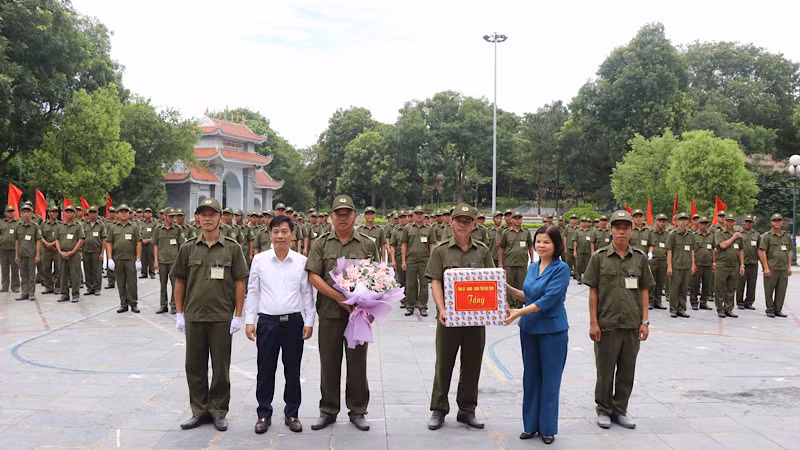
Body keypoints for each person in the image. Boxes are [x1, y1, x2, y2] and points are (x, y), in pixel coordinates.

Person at [305, 195, 379, 432]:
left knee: (357, 364)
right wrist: (340, 297)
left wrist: (372, 308)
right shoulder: (322, 244)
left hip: (358, 315)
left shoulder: (367, 244)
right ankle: (328, 410)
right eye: (339, 213)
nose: (343, 218)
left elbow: (379, 278)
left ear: (354, 216)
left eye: (348, 213)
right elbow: (313, 275)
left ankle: (357, 410)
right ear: (332, 217)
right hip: (329, 313)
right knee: (329, 363)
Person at [174, 198, 248, 432]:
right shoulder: (187, 248)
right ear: (197, 218)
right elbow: (180, 281)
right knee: (194, 366)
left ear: (219, 217)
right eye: (203, 214)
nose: (207, 218)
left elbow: (239, 282)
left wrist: (238, 315)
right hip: (194, 316)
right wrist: (179, 313)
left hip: (221, 317)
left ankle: (218, 410)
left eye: (212, 214)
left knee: (220, 367)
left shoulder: (232, 248)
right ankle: (199, 410)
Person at [425, 203, 494, 431]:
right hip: (449, 319)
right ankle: (438, 410)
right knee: (443, 364)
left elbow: (491, 282)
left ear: (474, 224)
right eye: (459, 220)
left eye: (467, 221)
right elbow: (435, 281)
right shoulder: (440, 250)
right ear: (451, 222)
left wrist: (498, 306)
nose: (463, 224)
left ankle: (467, 410)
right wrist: (442, 308)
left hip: (475, 320)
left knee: (472, 365)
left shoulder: (482, 251)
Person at [244, 215, 315, 434]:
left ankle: (291, 413)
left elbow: (307, 294)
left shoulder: (301, 261)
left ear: (293, 235)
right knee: (265, 370)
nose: (280, 236)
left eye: (285, 231)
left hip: (294, 322)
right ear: (270, 235)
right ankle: (263, 414)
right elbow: (253, 291)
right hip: (267, 323)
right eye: (276, 232)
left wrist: (309, 321)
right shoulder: (259, 260)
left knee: (292, 370)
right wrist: (249, 320)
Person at [583, 210, 652, 430]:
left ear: (632, 231)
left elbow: (643, 290)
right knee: (605, 370)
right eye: (617, 227)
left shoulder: (639, 258)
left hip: (632, 325)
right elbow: (593, 292)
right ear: (611, 230)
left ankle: (620, 409)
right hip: (607, 324)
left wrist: (645, 321)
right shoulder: (600, 257)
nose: (621, 231)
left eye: (626, 228)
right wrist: (593, 323)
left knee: (626, 370)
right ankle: (603, 409)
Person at [504, 226, 570, 445]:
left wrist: (518, 312)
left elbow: (549, 300)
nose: (541, 246)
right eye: (538, 241)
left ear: (556, 245)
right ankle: (530, 425)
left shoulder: (561, 269)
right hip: (530, 329)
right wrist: (507, 288)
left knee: (550, 380)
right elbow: (530, 295)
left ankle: (548, 428)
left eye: (546, 242)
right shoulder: (533, 267)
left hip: (552, 331)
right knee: (530, 378)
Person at [106, 204, 142, 313]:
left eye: (126, 211)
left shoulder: (134, 227)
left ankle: (133, 304)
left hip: (130, 259)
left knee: (132, 283)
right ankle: (123, 304)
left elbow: (138, 243)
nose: (123, 213)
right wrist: (110, 259)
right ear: (117, 214)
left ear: (129, 213)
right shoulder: (113, 227)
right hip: (118, 259)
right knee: (120, 283)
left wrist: (138, 259)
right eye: (121, 211)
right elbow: (109, 243)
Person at [402, 206, 434, 316]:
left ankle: (422, 306)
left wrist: (432, 261)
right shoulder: (407, 228)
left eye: (421, 214)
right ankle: (410, 305)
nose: (419, 216)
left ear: (424, 215)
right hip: (411, 260)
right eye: (417, 214)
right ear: (413, 215)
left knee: (424, 285)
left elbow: (432, 245)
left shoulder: (429, 229)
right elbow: (404, 244)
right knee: (411, 284)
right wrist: (403, 260)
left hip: (425, 260)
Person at [759, 213, 792, 318]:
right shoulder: (767, 236)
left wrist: (789, 266)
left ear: (782, 222)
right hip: (771, 267)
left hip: (783, 268)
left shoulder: (786, 236)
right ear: (771, 222)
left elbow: (789, 251)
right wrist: (766, 268)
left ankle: (778, 309)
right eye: (775, 221)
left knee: (781, 290)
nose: (777, 222)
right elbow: (762, 252)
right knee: (769, 290)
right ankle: (770, 309)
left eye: (779, 220)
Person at [498, 211, 533, 307]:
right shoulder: (506, 232)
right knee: (509, 285)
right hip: (509, 263)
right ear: (512, 220)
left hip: (522, 263)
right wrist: (500, 263)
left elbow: (530, 246)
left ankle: (519, 304)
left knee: (521, 284)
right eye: (515, 218)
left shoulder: (526, 232)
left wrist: (532, 260)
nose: (517, 220)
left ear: (521, 219)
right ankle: (510, 303)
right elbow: (501, 248)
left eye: (519, 218)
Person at [154, 208, 184, 314]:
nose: (172, 218)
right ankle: (163, 305)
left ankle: (174, 305)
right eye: (170, 216)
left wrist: (181, 261)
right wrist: (156, 261)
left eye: (173, 216)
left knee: (175, 284)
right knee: (163, 284)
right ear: (165, 217)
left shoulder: (177, 229)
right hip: (162, 261)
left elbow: (181, 246)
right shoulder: (158, 229)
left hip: (174, 261)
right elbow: (156, 245)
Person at [713, 213, 744, 318]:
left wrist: (742, 264)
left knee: (731, 288)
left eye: (732, 221)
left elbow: (741, 250)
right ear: (724, 222)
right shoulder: (719, 233)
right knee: (720, 287)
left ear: (734, 222)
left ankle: (729, 308)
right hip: (722, 264)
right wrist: (733, 237)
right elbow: (722, 245)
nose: (730, 223)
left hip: (734, 265)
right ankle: (720, 309)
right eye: (728, 220)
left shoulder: (738, 235)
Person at [666, 212, 694, 318]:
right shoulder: (672, 234)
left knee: (684, 289)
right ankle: (673, 309)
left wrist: (693, 264)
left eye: (685, 220)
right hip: (676, 266)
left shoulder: (690, 235)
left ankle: (681, 308)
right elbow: (669, 251)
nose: (683, 222)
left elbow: (692, 250)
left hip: (686, 266)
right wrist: (669, 266)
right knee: (674, 289)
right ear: (676, 222)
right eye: (681, 220)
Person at [56, 205, 85, 303]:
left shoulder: (78, 225)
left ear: (74, 214)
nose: (69, 214)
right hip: (62, 254)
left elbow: (81, 239)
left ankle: (75, 294)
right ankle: (64, 294)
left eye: (71, 212)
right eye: (67, 212)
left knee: (75, 275)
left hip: (74, 254)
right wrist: (60, 251)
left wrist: (72, 251)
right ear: (64, 213)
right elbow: (57, 240)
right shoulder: (60, 226)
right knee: (62, 275)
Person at [15, 204, 41, 301]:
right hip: (21, 254)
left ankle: (31, 293)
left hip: (31, 254)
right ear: (21, 214)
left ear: (31, 214)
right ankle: (24, 293)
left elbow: (38, 241)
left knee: (31, 275)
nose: (26, 214)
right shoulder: (18, 226)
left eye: (28, 212)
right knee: (23, 275)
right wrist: (16, 255)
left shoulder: (35, 226)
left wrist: (37, 255)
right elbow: (17, 241)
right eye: (24, 212)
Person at [736, 215, 760, 310]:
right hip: (741, 263)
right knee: (740, 284)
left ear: (752, 223)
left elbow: (759, 249)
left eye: (750, 222)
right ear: (743, 222)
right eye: (746, 221)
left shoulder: (756, 234)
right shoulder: (738, 234)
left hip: (753, 263)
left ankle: (749, 302)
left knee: (752, 284)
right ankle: (739, 302)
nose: (748, 223)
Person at [690, 217, 714, 310]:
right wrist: (693, 263)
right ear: (698, 224)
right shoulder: (693, 235)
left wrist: (714, 262)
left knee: (707, 285)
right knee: (695, 284)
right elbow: (691, 250)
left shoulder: (711, 235)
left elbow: (713, 249)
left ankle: (704, 302)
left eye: (705, 223)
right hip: (697, 263)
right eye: (702, 223)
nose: (704, 225)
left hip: (708, 264)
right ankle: (694, 301)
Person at [82, 206, 106, 296]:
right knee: (87, 270)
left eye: (94, 212)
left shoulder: (101, 225)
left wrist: (102, 252)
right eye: (90, 212)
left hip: (96, 251)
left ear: (97, 213)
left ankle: (97, 288)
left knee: (97, 270)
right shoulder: (84, 225)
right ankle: (89, 288)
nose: (92, 214)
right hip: (85, 250)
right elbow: (81, 238)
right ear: (88, 214)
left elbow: (104, 239)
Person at [648, 214, 669, 310]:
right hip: (653, 260)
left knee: (660, 282)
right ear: (656, 221)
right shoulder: (650, 232)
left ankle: (658, 301)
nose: (661, 223)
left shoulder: (667, 234)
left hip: (663, 260)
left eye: (663, 221)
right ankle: (650, 301)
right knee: (651, 281)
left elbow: (669, 248)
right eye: (660, 221)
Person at [40, 206, 61, 295]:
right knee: (46, 269)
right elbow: (40, 236)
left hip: (56, 250)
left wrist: (52, 244)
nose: (54, 213)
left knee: (58, 269)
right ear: (49, 213)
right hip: (46, 250)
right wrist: (46, 244)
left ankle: (58, 287)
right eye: (52, 212)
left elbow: (60, 237)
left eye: (56, 212)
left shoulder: (60, 224)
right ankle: (48, 287)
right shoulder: (43, 224)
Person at [0, 205, 20, 293]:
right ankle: (4, 286)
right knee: (4, 269)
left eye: (12, 211)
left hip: (14, 249)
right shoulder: (1, 223)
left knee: (15, 269)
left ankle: (15, 286)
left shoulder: (18, 223)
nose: (10, 213)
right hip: (3, 249)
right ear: (5, 213)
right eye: (9, 211)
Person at [574, 217, 593, 284]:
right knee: (579, 264)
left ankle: (586, 278)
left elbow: (592, 242)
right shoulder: (577, 231)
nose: (584, 223)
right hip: (579, 250)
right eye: (582, 222)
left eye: (585, 222)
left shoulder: (591, 231)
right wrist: (574, 251)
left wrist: (592, 251)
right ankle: (578, 277)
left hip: (588, 251)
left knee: (587, 265)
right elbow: (575, 241)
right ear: (580, 223)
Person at [139, 208, 158, 279]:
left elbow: (156, 233)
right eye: (146, 212)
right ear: (144, 214)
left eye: (149, 212)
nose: (147, 214)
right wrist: (142, 239)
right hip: (142, 242)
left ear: (151, 214)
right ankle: (143, 272)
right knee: (143, 258)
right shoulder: (141, 222)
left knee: (151, 258)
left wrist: (150, 239)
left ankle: (152, 272)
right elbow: (138, 232)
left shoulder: (154, 222)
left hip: (151, 243)